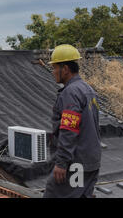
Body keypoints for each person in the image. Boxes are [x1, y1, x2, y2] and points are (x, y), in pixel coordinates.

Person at [43, 44, 101, 198]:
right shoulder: (88, 89)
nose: (53, 72)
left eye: (55, 68)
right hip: (91, 161)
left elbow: (69, 130)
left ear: (66, 69)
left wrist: (61, 163)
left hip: (75, 164)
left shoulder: (70, 93)